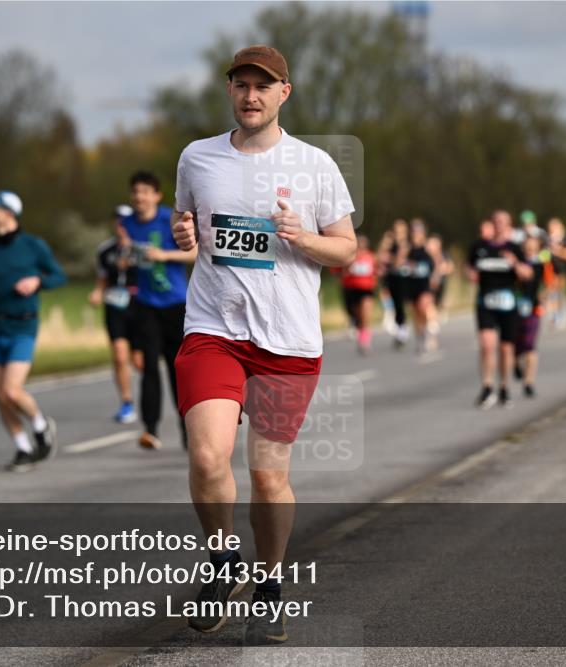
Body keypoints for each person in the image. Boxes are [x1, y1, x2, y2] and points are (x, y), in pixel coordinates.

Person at [171, 44, 356, 645]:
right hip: (213, 331)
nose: (251, 95)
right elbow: (191, 231)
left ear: (284, 93)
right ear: (229, 90)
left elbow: (347, 249)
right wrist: (184, 235)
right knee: (207, 457)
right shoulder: (197, 158)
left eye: (263, 86)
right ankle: (223, 565)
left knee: (268, 477)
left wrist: (303, 238)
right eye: (241, 84)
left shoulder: (315, 165)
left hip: (287, 341)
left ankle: (270, 583)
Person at [0, 190, 66, 472]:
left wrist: (37, 281)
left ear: (9, 213)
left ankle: (40, 425)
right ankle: (23, 447)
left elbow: (59, 276)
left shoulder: (33, 246)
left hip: (24, 324)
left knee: (12, 390)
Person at [121, 171, 195, 449]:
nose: (139, 197)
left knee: (179, 370)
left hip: (176, 303)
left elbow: (196, 252)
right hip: (146, 304)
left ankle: (189, 432)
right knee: (148, 367)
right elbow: (122, 255)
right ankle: (150, 430)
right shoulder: (125, 224)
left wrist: (163, 255)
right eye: (135, 192)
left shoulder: (170, 219)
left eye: (144, 192)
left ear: (156, 195)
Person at [467, 210, 533, 409]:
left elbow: (527, 274)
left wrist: (514, 263)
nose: (499, 225)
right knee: (487, 345)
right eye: (496, 221)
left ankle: (504, 387)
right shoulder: (479, 247)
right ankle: (487, 387)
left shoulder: (515, 248)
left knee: (506, 348)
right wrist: (471, 274)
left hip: (508, 303)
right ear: (491, 224)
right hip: (485, 302)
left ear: (509, 225)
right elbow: (468, 268)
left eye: (503, 222)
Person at [89, 205, 142, 424]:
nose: (121, 225)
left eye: (126, 221)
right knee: (119, 356)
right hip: (114, 306)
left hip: (139, 305)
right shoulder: (105, 250)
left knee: (140, 361)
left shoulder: (142, 248)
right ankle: (127, 402)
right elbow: (102, 277)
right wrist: (97, 292)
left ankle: (152, 400)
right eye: (118, 221)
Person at [514, 235, 545, 398]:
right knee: (514, 344)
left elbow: (531, 276)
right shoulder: (515, 262)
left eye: (533, 246)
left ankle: (529, 382)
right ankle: (515, 364)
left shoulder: (539, 264)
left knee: (530, 345)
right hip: (514, 308)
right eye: (527, 246)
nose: (530, 249)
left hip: (532, 308)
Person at [340, 235, 378, 354]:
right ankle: (360, 335)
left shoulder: (371, 256)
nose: (361, 245)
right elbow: (341, 272)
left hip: (366, 290)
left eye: (363, 243)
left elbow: (377, 270)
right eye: (359, 243)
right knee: (358, 317)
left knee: (365, 316)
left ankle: (364, 343)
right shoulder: (349, 256)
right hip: (352, 289)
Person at [404, 221, 437, 352]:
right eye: (414, 232)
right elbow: (400, 263)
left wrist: (435, 277)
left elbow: (436, 263)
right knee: (415, 312)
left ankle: (429, 330)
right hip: (412, 283)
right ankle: (419, 337)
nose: (416, 235)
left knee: (423, 307)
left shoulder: (428, 248)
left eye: (419, 232)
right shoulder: (407, 248)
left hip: (425, 284)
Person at [379, 219, 411, 347]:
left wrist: (389, 258)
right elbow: (380, 257)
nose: (398, 232)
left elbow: (399, 260)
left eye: (401, 229)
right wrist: (385, 242)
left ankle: (402, 329)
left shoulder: (406, 243)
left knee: (400, 303)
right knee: (392, 302)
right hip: (390, 277)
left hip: (403, 277)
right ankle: (398, 328)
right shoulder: (390, 243)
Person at [426, 234, 454, 327]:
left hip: (441, 285)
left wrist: (442, 270)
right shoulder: (426, 257)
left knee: (438, 303)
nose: (430, 247)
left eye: (433, 244)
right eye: (429, 244)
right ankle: (432, 325)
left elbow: (450, 267)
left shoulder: (444, 255)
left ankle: (441, 308)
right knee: (429, 303)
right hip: (428, 286)